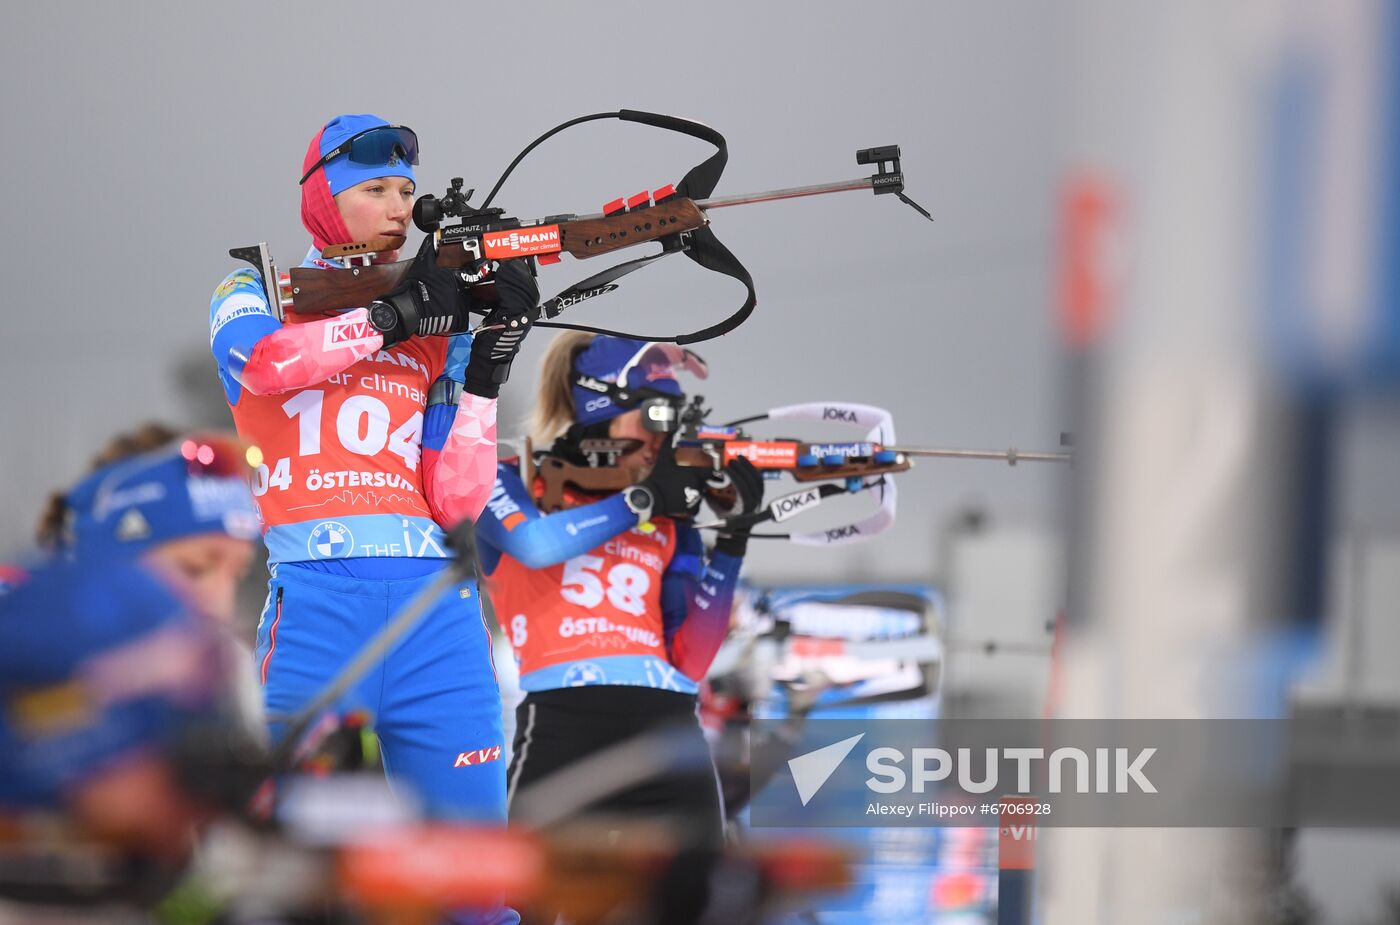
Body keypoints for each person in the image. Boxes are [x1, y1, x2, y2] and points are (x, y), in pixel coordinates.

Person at [207, 113, 537, 834]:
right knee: (291, 869)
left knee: (473, 877)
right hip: (317, 603)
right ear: (325, 197)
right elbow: (265, 364)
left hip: (438, 614)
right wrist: (391, 318)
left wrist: (484, 370)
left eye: (406, 191)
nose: (397, 208)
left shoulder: (434, 328)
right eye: (377, 189)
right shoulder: (253, 286)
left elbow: (456, 500)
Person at [476, 333, 763, 845]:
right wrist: (642, 500)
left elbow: (691, 660)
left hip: (671, 722)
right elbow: (535, 545)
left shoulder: (671, 517)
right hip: (564, 719)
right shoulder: (510, 480)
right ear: (600, 406)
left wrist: (733, 541)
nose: (664, 437)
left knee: (699, 900)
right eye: (653, 416)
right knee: (523, 901)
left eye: (674, 419)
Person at [0, 427, 262, 908]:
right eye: (192, 569)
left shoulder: (230, 670)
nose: (218, 603)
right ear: (88, 574)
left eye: (237, 573)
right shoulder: (22, 647)